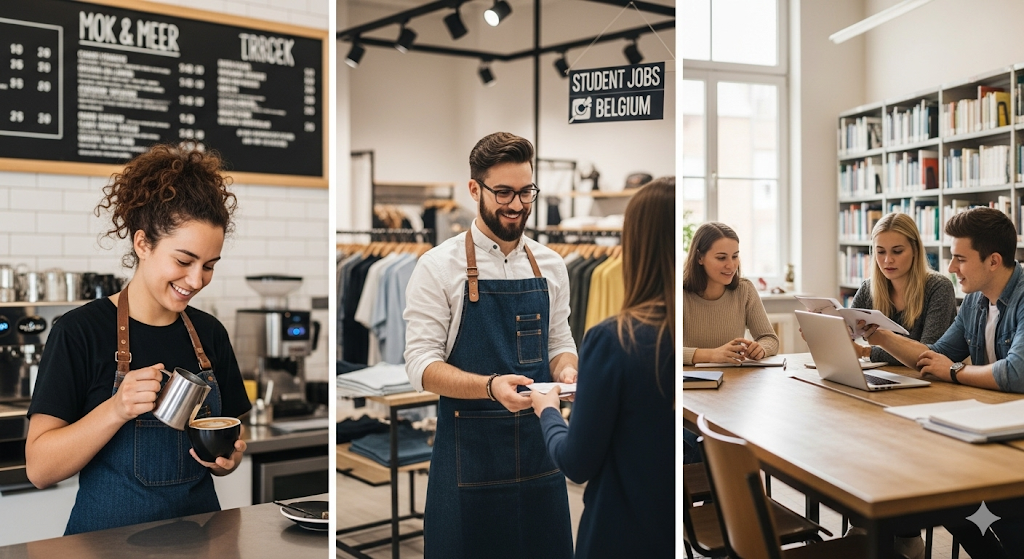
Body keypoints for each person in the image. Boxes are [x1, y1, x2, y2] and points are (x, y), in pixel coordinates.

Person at [25, 144, 251, 535]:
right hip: (107, 545)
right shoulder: (79, 332)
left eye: (209, 266)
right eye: (183, 261)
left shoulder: (210, 333)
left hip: (200, 540)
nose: (196, 280)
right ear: (142, 243)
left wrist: (230, 458)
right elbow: (40, 468)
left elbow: (233, 431)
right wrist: (116, 409)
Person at [403, 132, 577, 559]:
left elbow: (560, 340)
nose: (517, 205)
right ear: (474, 189)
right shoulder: (437, 267)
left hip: (541, 455)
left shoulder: (552, 264)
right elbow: (420, 365)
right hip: (468, 461)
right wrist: (489, 385)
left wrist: (567, 371)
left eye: (526, 192)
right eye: (503, 192)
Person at [860, 207, 1024, 558]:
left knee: (997, 517)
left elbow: (1015, 372)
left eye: (960, 259)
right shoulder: (975, 303)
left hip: (1016, 440)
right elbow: (931, 357)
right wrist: (881, 336)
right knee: (944, 495)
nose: (950, 268)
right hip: (992, 425)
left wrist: (955, 372)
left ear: (993, 261)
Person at [530, 177, 674, 558]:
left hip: (621, 533)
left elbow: (577, 462)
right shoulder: (693, 341)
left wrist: (548, 411)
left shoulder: (615, 339)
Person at [850, 212, 956, 364]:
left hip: (927, 381)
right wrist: (824, 330)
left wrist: (865, 352)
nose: (888, 260)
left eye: (897, 251)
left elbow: (929, 354)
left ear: (915, 250)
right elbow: (846, 332)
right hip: (885, 374)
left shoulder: (938, 288)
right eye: (880, 252)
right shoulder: (869, 288)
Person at [682, 221, 779, 366]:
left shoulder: (745, 290)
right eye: (721, 258)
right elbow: (663, 351)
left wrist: (760, 349)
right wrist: (712, 355)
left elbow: (769, 338)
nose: (731, 265)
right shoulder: (678, 294)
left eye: (735, 256)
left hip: (734, 379)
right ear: (699, 258)